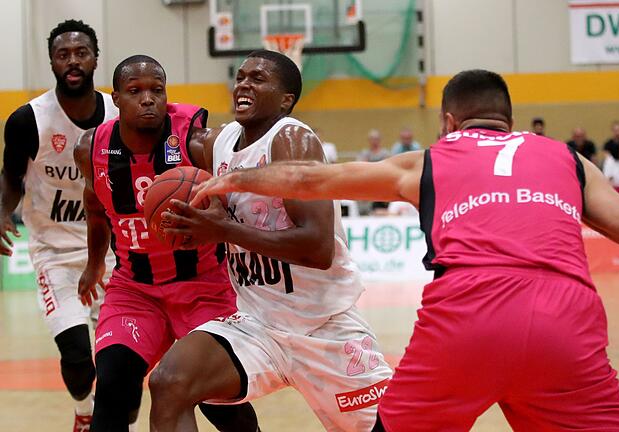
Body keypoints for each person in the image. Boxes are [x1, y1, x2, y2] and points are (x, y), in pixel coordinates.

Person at [192, 69, 619, 431]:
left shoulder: (428, 159)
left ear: (449, 122)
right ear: (511, 121)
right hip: (565, 321)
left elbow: (314, 181)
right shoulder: (564, 157)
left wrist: (231, 178)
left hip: (467, 315)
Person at [147, 50, 391, 432]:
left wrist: (222, 231)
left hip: (322, 327)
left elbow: (317, 247)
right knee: (169, 382)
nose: (244, 84)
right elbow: (163, 126)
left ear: (286, 100)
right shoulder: (221, 142)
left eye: (258, 79)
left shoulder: (292, 139)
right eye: (241, 76)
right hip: (256, 326)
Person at [73, 55, 258, 432]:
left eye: (157, 90)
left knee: (219, 404)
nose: (148, 99)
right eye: (135, 91)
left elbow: (239, 213)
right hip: (135, 290)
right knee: (112, 387)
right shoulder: (89, 148)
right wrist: (94, 264)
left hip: (204, 287)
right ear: (116, 99)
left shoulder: (198, 142)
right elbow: (94, 209)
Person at [0, 20, 118, 431]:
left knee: (117, 359)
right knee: (76, 355)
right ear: (52, 60)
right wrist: (2, 212)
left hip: (111, 253)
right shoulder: (27, 121)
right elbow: (12, 177)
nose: (72, 61)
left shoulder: (119, 116)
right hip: (54, 253)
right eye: (63, 54)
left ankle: (108, 419)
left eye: (81, 53)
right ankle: (83, 410)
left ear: (95, 59)